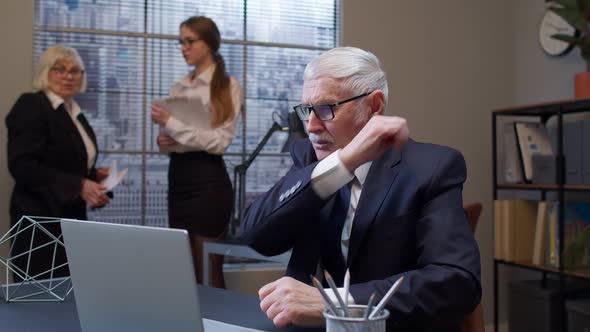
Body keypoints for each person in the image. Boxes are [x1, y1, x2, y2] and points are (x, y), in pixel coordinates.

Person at [240, 47, 481, 331]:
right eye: (307, 110)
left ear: (374, 106)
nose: (312, 126)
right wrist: (343, 162)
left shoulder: (432, 167)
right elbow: (257, 235)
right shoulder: (308, 157)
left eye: (326, 109)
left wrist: (332, 302)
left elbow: (456, 282)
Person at [150, 16, 242, 288]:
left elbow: (219, 142)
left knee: (209, 270)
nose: (183, 48)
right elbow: (184, 136)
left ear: (210, 43)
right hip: (178, 177)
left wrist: (170, 123)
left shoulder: (227, 85)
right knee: (186, 270)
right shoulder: (179, 85)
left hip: (208, 181)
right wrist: (167, 141)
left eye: (190, 41)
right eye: (181, 42)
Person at [6, 45, 110, 281]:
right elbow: (22, 165)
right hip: (39, 223)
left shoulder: (74, 112)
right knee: (39, 303)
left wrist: (93, 178)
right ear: (46, 71)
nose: (68, 76)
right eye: (60, 69)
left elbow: (67, 163)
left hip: (71, 221)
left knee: (70, 301)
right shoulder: (32, 105)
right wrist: (79, 185)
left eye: (75, 71)